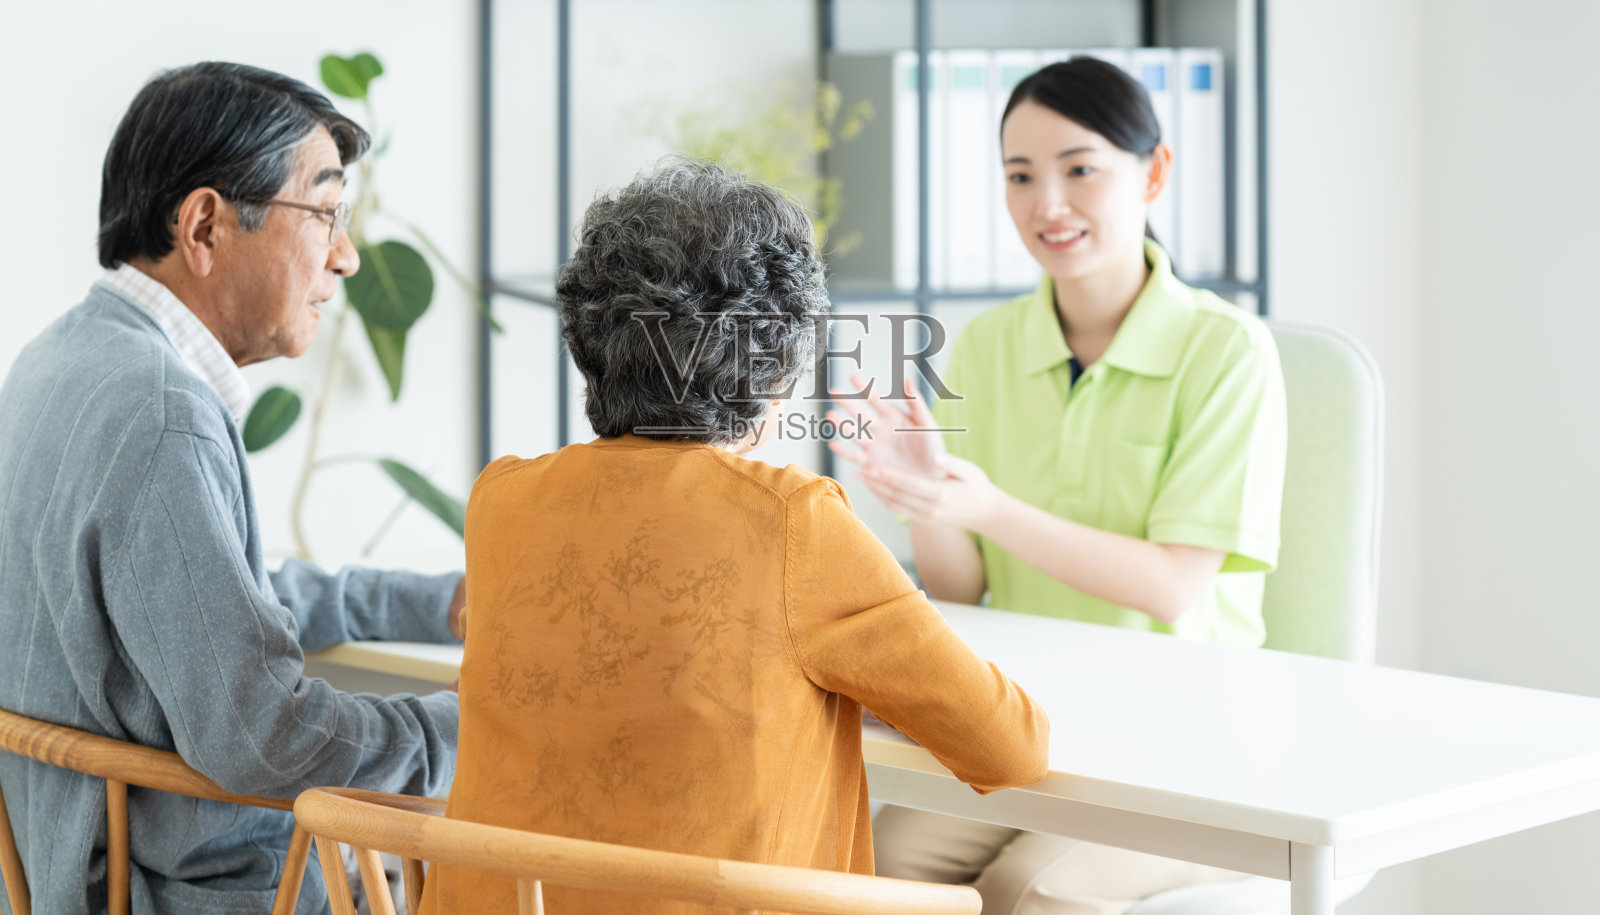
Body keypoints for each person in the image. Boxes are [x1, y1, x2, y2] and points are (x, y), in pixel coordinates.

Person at [419, 158, 1050, 914]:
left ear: (589, 343)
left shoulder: (503, 500)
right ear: (776, 365)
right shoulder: (793, 519)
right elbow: (1009, 746)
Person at [0, 63, 466, 915]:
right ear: (206, 225)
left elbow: (197, 599)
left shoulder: (62, 358)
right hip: (176, 893)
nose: (347, 255)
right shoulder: (161, 410)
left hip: (56, 868)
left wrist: (438, 604)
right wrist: (473, 723)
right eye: (325, 211)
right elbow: (265, 734)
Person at [829, 56, 1288, 915]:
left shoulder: (1227, 352)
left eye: (1081, 169)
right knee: (868, 870)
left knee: (1034, 890)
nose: (1049, 205)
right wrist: (928, 501)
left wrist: (988, 505)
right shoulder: (988, 344)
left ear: (1152, 172)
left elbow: (1173, 583)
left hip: (1185, 740)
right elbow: (967, 588)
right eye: (1021, 176)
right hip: (1029, 729)